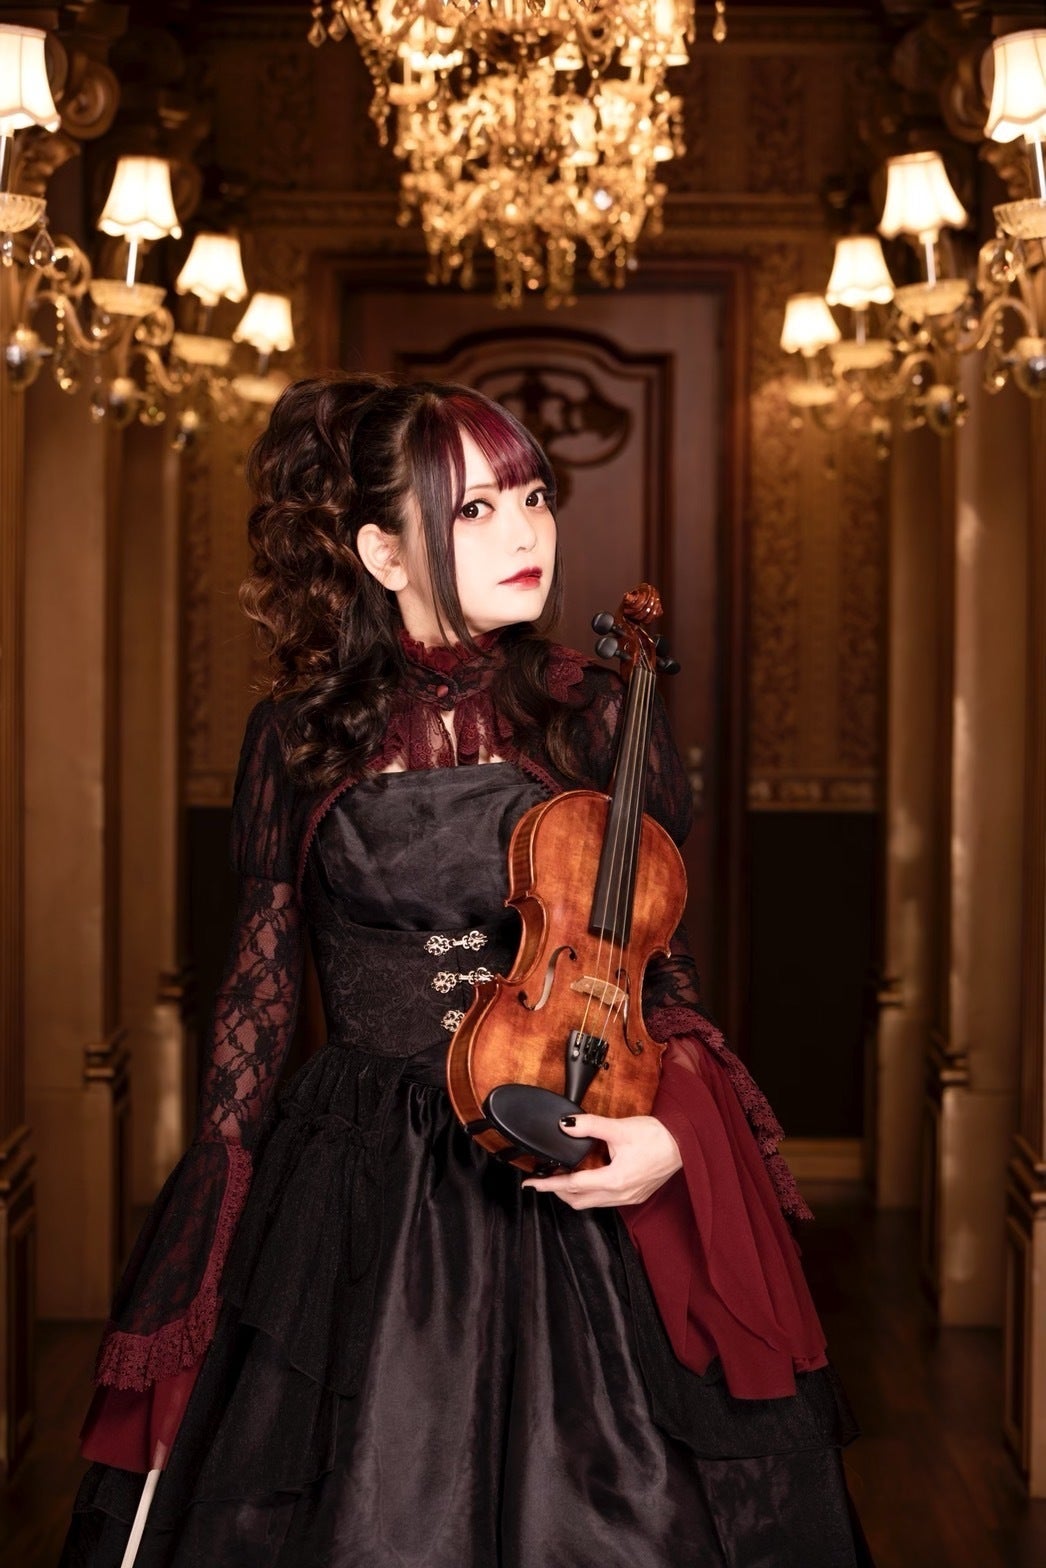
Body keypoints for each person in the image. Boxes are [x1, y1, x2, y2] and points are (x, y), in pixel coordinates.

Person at [61, 374, 873, 1567]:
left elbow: (653, 972)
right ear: (383, 553)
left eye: (532, 496)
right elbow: (258, 991)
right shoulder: (297, 733)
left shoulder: (594, 711)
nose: (524, 532)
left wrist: (672, 1134)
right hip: (360, 1178)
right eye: (475, 509)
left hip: (563, 1152)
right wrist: (213, 1220)